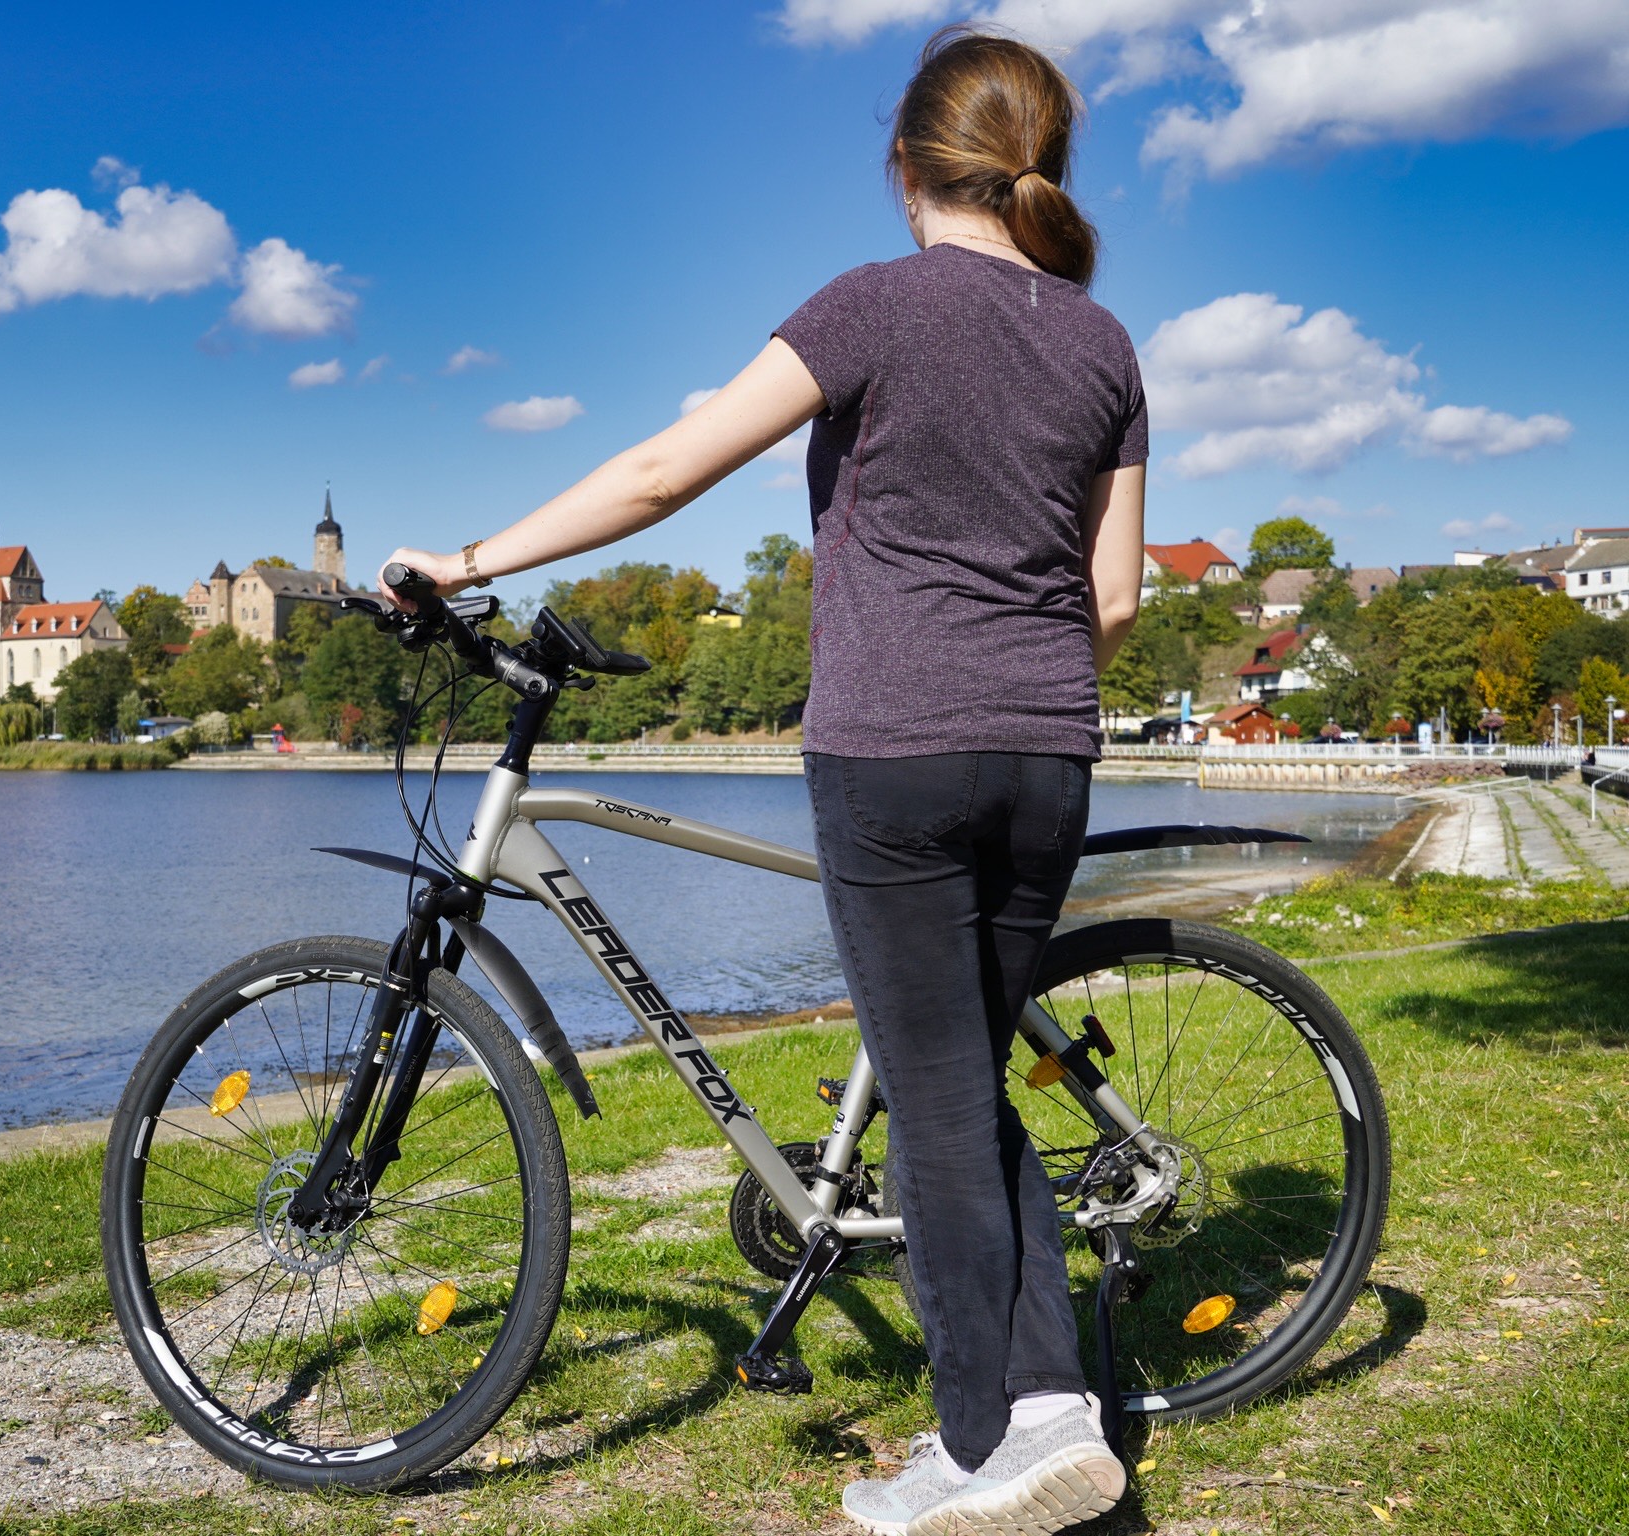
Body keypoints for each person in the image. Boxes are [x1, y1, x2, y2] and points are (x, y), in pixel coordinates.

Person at [380, 26, 1146, 1536]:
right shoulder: (1101, 341)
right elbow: (1111, 600)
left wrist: (459, 561)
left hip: (894, 748)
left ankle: (984, 1450)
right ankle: (1049, 1414)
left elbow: (666, 472)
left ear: (905, 166)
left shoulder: (871, 306)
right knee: (959, 1084)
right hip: (1047, 748)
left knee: (934, 1108)